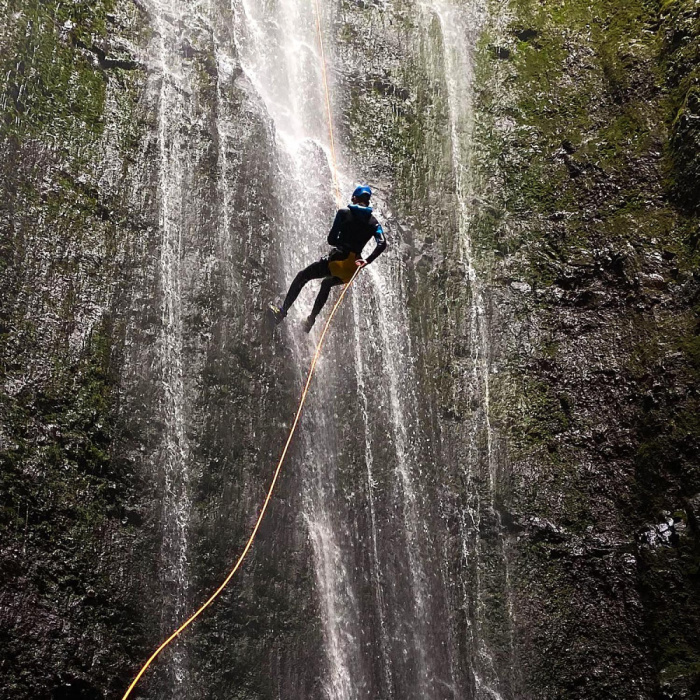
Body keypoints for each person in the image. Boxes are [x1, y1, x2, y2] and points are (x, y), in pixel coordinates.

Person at [269, 185, 387, 332]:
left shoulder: (343, 213)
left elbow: (331, 240)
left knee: (303, 276)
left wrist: (342, 243)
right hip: (353, 269)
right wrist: (367, 261)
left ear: (354, 198)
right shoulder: (374, 223)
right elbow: (382, 243)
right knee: (327, 284)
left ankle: (281, 312)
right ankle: (310, 320)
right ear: (368, 201)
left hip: (338, 261)